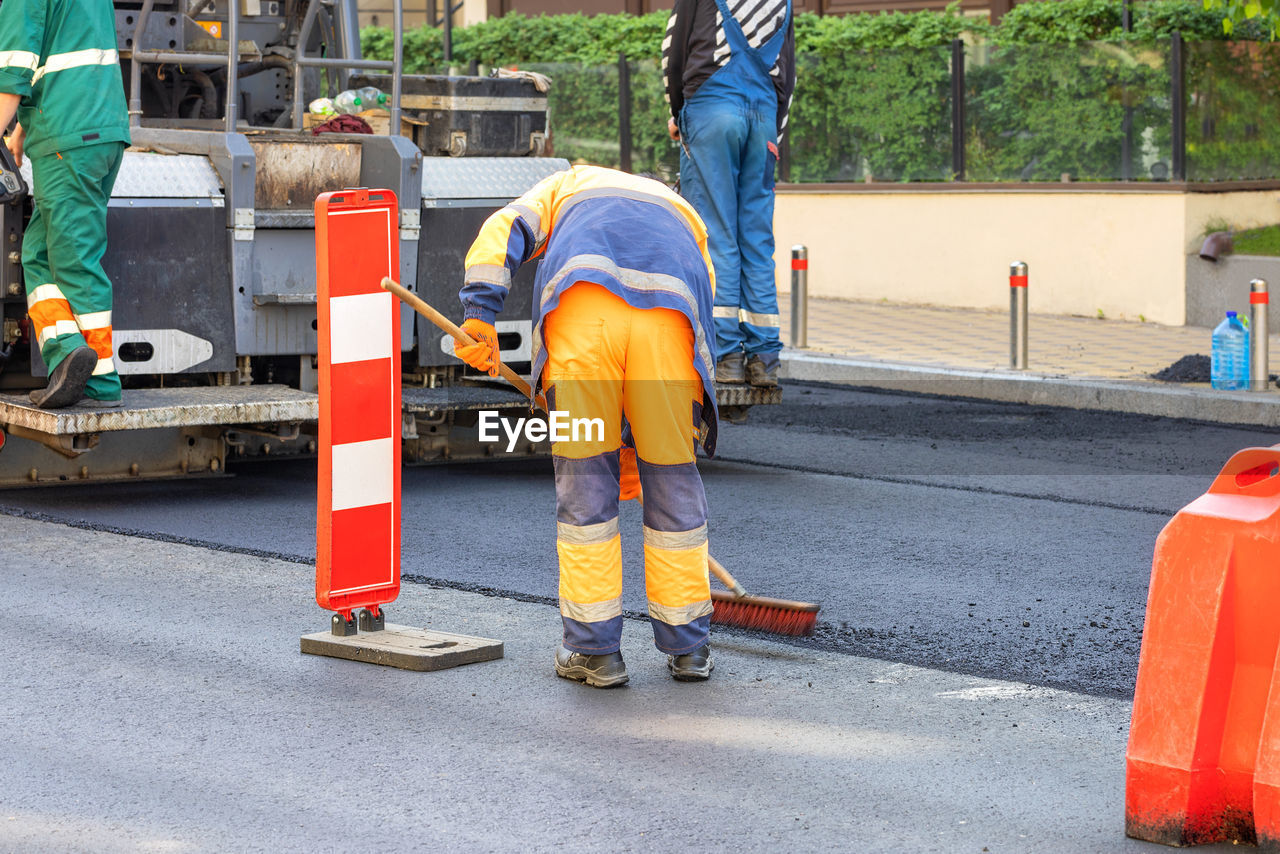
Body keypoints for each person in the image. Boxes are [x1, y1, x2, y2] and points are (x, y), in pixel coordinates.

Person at [456, 165, 719, 688]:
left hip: (584, 314)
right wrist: (646, 436)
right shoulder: (684, 213)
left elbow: (504, 228)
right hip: (670, 327)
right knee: (672, 480)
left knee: (586, 490)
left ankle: (595, 653)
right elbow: (704, 304)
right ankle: (690, 648)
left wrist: (480, 313)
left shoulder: (569, 184)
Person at [0, 0, 130, 409]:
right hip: (100, 130)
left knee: (74, 260)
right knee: (38, 254)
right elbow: (64, 53)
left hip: (69, 138)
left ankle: (101, 381)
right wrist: (20, 131)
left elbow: (13, 72)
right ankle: (68, 353)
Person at [663, 0, 794, 388]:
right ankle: (765, 357)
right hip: (763, 117)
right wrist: (774, 135)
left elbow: (674, 55)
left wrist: (679, 115)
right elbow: (788, 76)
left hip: (712, 110)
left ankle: (726, 355)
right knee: (756, 238)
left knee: (716, 233)